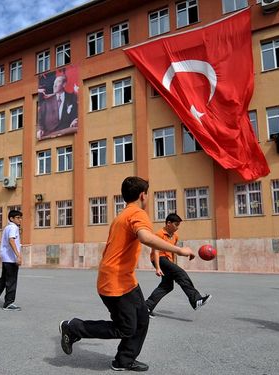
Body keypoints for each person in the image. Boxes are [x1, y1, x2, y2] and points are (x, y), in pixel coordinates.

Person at [59, 176, 196, 371]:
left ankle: (124, 360)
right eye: (147, 194)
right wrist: (179, 250)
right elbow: (146, 237)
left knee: (142, 318)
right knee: (124, 327)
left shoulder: (122, 215)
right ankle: (73, 328)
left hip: (124, 279)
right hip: (114, 281)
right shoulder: (137, 213)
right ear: (143, 195)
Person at [145, 213, 211, 317]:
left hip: (168, 261)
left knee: (167, 286)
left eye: (178, 225)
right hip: (160, 259)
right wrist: (157, 268)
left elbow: (173, 252)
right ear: (168, 223)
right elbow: (156, 251)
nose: (177, 227)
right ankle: (196, 299)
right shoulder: (159, 234)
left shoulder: (175, 237)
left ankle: (146, 307)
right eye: (176, 224)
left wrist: (173, 264)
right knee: (181, 274)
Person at [0, 209, 23, 311]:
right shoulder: (13, 227)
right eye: (18, 218)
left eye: (20, 218)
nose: (20, 220)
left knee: (4, 279)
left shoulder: (7, 227)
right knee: (11, 281)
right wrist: (18, 255)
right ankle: (8, 303)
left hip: (6, 258)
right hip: (10, 259)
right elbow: (11, 240)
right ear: (11, 218)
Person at [37, 75, 78, 139]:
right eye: (54, 83)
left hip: (67, 134)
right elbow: (40, 118)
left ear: (64, 84)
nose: (54, 85)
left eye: (58, 82)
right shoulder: (46, 102)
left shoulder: (71, 97)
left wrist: (75, 120)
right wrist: (40, 129)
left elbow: (75, 113)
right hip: (49, 135)